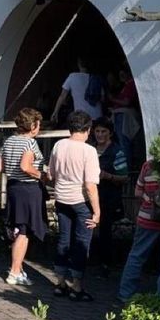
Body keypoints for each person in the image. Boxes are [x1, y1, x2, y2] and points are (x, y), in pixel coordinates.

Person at [118, 130, 160, 302]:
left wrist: (149, 199)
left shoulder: (149, 166)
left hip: (147, 219)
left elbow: (138, 192)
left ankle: (125, 295)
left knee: (137, 256)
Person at [48, 110, 101, 301]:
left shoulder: (58, 145)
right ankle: (76, 285)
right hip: (81, 201)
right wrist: (97, 212)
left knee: (63, 240)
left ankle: (60, 282)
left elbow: (51, 173)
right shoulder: (89, 151)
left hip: (61, 198)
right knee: (81, 243)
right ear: (87, 129)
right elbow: (90, 185)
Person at [0, 108, 46, 287]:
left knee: (18, 228)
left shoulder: (9, 141)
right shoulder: (30, 143)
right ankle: (15, 271)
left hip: (13, 187)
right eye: (38, 124)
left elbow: (0, 167)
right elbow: (25, 166)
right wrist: (41, 174)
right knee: (24, 231)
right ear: (33, 126)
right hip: (28, 189)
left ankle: (17, 268)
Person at [91, 116, 129, 277]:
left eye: (103, 131)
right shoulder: (90, 149)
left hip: (108, 196)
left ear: (110, 133)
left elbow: (124, 177)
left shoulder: (116, 152)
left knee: (105, 231)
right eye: (97, 131)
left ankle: (105, 264)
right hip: (90, 195)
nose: (100, 134)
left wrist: (108, 176)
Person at [50, 58, 104, 124]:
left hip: (81, 116)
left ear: (79, 64)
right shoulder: (97, 78)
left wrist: (55, 112)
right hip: (97, 115)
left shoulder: (72, 77)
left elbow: (62, 96)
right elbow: (102, 98)